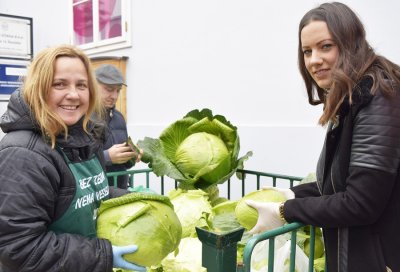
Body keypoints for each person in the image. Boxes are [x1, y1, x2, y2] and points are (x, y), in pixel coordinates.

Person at [246, 2, 400, 272]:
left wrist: (285, 211)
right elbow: (341, 182)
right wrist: (290, 194)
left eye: (325, 46)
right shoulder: (351, 97)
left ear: (350, 43)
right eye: (307, 51)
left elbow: (361, 203)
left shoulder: (379, 98)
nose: (313, 60)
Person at [0, 45, 145, 272]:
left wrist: (134, 197)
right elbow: (19, 247)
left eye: (81, 85)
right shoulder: (23, 153)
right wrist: (102, 255)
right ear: (38, 87)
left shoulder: (85, 137)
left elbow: (89, 196)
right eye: (59, 84)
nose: (74, 94)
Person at [95, 64, 141, 189]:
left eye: (118, 90)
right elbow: (76, 163)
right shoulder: (81, 119)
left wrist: (132, 155)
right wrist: (107, 157)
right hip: (95, 195)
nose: (115, 96)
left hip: (121, 191)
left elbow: (123, 165)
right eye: (109, 89)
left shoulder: (119, 118)